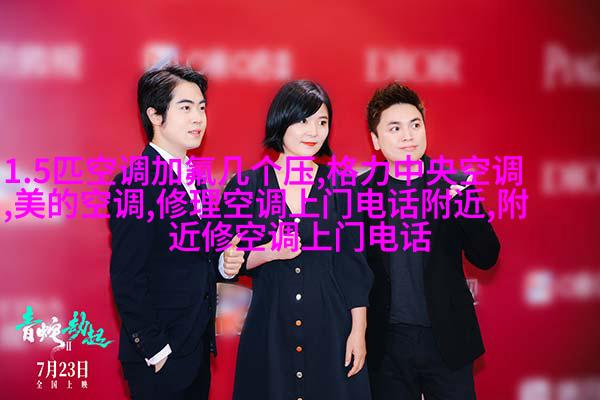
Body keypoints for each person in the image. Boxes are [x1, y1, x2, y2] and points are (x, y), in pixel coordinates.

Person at [221, 80, 373, 400]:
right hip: (270, 328)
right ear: (281, 119)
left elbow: (353, 267)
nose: (313, 131)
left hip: (331, 329)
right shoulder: (245, 186)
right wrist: (268, 252)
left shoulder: (343, 186)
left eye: (322, 122)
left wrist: (358, 331)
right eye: (303, 120)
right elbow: (230, 261)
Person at [108, 64, 244, 399]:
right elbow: (127, 275)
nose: (198, 118)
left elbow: (198, 259)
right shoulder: (135, 183)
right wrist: (155, 349)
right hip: (161, 356)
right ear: (155, 115)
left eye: (202, 108)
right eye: (185, 108)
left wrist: (224, 264)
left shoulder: (195, 179)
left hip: (195, 347)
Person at [361, 83, 500, 400]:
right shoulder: (361, 192)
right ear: (376, 140)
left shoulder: (455, 185)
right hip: (387, 343)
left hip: (447, 339)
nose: (408, 136)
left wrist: (464, 207)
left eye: (415, 125)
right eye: (395, 128)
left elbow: (487, 256)